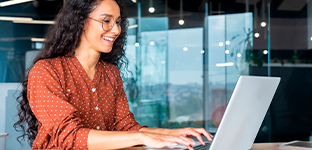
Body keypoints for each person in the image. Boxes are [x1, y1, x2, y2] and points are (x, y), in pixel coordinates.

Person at [14, 0, 213, 149]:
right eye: (106, 21)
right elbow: (70, 137)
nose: (116, 29)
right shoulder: (46, 71)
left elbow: (125, 126)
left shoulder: (110, 73)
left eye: (117, 22)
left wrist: (171, 134)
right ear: (81, 22)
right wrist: (143, 138)